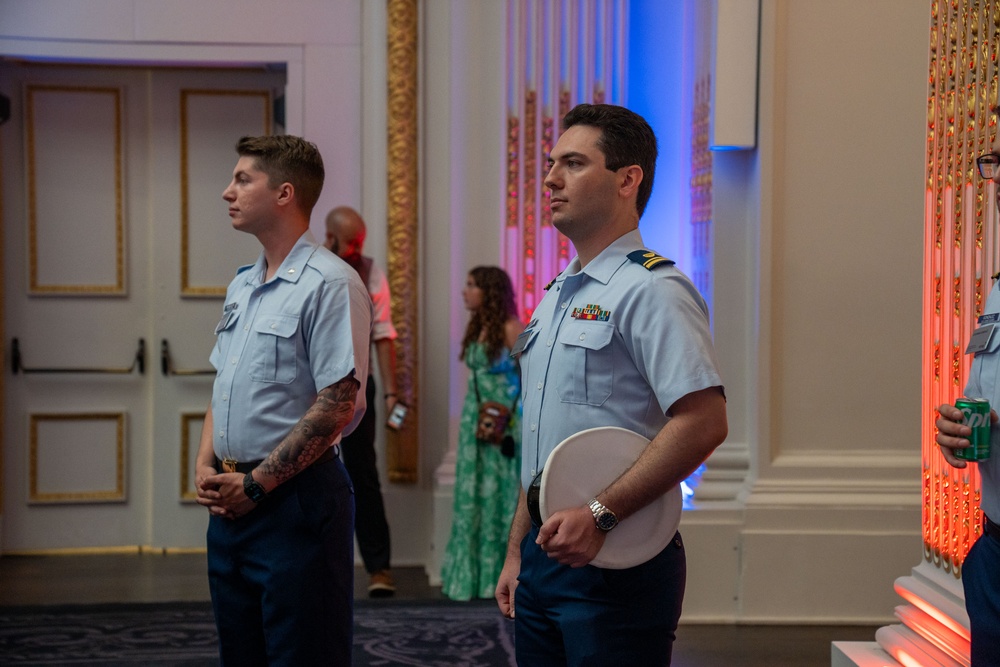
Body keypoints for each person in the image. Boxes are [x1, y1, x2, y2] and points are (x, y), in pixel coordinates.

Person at [494, 103, 728, 665]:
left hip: (617, 557)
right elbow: (547, 444)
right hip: (548, 555)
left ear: (628, 179)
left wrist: (601, 514)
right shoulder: (557, 295)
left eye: (573, 163)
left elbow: (704, 422)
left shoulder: (653, 290)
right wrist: (516, 551)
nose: (550, 178)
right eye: (552, 163)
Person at [194, 135, 372, 666]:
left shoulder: (330, 283)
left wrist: (257, 483)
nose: (228, 191)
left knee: (303, 655)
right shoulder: (243, 285)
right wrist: (205, 462)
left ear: (284, 193)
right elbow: (222, 381)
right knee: (241, 653)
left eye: (243, 179)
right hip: (232, 506)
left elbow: (339, 402)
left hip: (295, 501)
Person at [935, 108, 1000, 667]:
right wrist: (956, 432)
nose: (996, 181)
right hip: (994, 551)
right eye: (997, 162)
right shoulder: (999, 288)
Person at [324, 205, 398, 597]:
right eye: (351, 242)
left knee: (362, 473)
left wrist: (390, 392)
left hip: (357, 386)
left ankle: (379, 568)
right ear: (331, 238)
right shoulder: (308, 269)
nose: (357, 248)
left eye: (360, 241)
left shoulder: (371, 273)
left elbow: (384, 333)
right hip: (311, 388)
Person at [441, 266, 524, 600]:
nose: (465, 291)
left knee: (503, 493)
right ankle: (474, 577)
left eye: (472, 285)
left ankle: (502, 572)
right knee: (473, 492)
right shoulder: (478, 328)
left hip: (506, 425)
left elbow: (531, 374)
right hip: (477, 423)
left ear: (489, 292)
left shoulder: (511, 327)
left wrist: (513, 413)